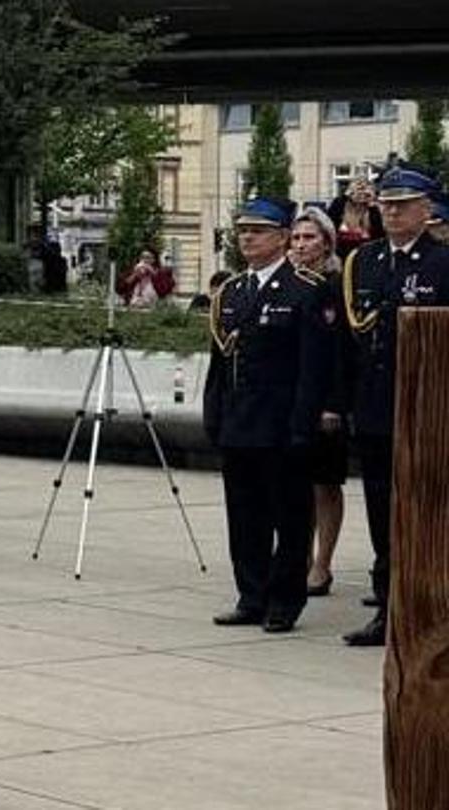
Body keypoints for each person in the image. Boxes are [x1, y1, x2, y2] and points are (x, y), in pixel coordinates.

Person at [204, 197, 336, 635]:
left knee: (290, 518)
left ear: (282, 238)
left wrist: (304, 424)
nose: (247, 238)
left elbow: (313, 367)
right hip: (239, 423)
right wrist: (214, 417)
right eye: (243, 230)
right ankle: (252, 595)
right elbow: (220, 365)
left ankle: (284, 601)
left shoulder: (305, 288)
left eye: (258, 231)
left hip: (281, 426)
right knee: (245, 518)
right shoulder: (231, 291)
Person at [336, 165, 449, 646]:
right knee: (382, 513)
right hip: (377, 409)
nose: (393, 212)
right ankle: (389, 609)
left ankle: (430, 609)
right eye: (387, 204)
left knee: (428, 512)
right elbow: (348, 343)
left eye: (403, 204)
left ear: (427, 210)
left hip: (429, 410)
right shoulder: (364, 261)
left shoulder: (442, 262)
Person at [288, 207, 348, 597]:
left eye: (309, 237)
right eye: (295, 238)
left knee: (325, 484)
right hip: (290, 398)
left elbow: (340, 351)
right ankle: (300, 557)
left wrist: (334, 404)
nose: (300, 245)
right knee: (295, 486)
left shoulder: (336, 284)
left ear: (326, 243)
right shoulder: (285, 282)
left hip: (323, 400)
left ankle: (322, 564)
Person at [326, 175, 384, 258]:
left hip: (366, 258)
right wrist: (346, 195)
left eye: (364, 190)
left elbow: (380, 235)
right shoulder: (340, 206)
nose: (361, 193)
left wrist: (372, 203)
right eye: (358, 189)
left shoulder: (373, 212)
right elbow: (328, 224)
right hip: (339, 258)